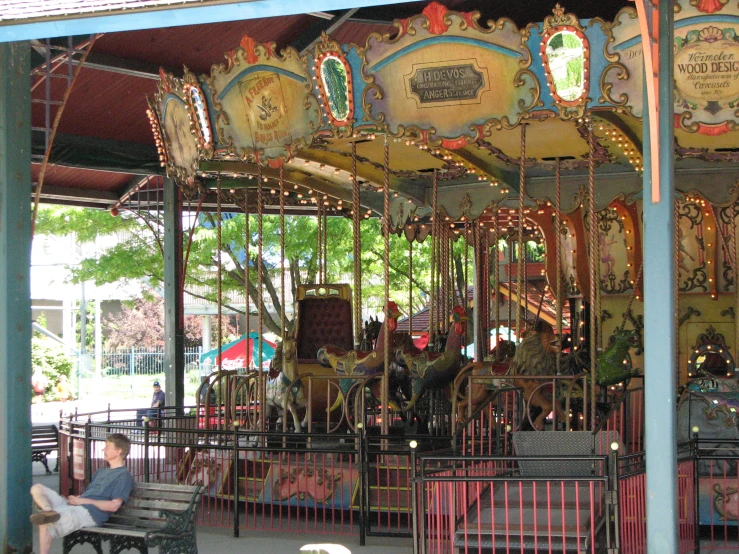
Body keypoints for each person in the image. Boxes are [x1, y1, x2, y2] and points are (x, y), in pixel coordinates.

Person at [30, 433, 134, 554]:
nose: (103, 449)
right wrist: (78, 499)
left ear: (118, 451)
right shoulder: (102, 471)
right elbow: (90, 494)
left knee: (45, 522)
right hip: (76, 506)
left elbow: (114, 505)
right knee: (37, 488)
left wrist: (83, 501)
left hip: (89, 514)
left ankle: (48, 515)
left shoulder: (123, 476)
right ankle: (48, 510)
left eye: (107, 446)